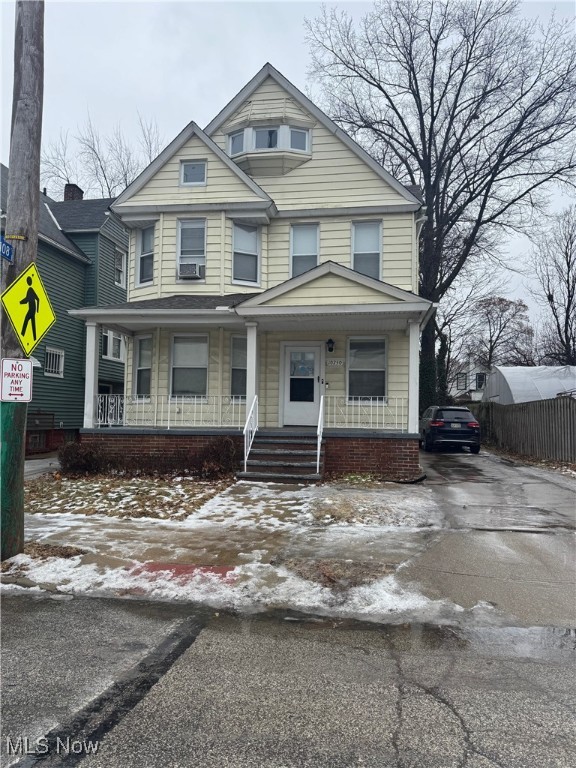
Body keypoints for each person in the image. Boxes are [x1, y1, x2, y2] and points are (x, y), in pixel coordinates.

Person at [20, 275, 40, 341]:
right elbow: (37, 299)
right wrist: (36, 310)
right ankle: (34, 338)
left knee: (26, 320)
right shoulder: (31, 290)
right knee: (33, 324)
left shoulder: (30, 290)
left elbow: (27, 300)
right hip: (33, 310)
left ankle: (22, 334)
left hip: (31, 310)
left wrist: (20, 302)